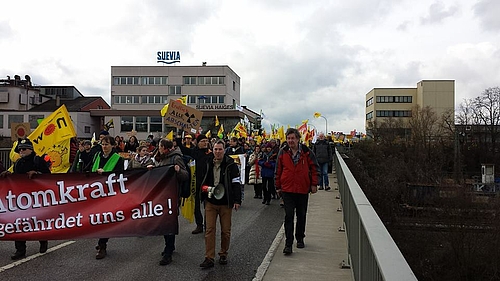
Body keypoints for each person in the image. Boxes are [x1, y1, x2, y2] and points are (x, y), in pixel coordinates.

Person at [0, 138, 52, 260]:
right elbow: (15, 178)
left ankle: (43, 239)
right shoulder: (18, 163)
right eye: (20, 149)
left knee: (38, 222)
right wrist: (8, 175)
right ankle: (20, 250)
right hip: (22, 199)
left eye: (24, 149)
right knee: (18, 223)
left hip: (37, 198)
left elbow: (49, 177)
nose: (21, 151)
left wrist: (37, 173)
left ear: (31, 149)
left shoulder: (38, 160)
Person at [275, 128, 319, 255]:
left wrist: (314, 184)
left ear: (298, 139)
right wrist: (278, 186)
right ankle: (288, 244)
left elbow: (315, 168)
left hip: (302, 189)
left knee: (301, 215)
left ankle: (300, 238)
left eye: (292, 138)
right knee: (288, 216)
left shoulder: (306, 152)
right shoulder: (283, 153)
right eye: (288, 138)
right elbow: (278, 170)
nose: (290, 141)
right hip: (287, 190)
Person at [199, 140, 242, 268]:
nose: (217, 152)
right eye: (215, 149)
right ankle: (209, 257)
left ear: (224, 150)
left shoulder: (231, 164)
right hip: (211, 202)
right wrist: (205, 191)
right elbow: (202, 180)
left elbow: (236, 183)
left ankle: (223, 253)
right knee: (209, 230)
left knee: (225, 231)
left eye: (220, 149)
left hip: (225, 203)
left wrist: (237, 200)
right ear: (212, 150)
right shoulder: (207, 162)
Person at [149, 139, 188, 265]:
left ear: (165, 148)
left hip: (172, 196)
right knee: (164, 222)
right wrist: (153, 169)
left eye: (160, 146)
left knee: (169, 222)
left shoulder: (175, 158)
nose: (158, 148)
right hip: (163, 196)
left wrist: (178, 170)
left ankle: (168, 252)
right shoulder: (162, 158)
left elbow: (185, 175)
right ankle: (169, 246)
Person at [92, 135, 125, 259]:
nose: (104, 146)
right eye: (102, 144)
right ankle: (102, 241)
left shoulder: (118, 159)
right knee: (98, 220)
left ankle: (102, 245)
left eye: (106, 144)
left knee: (106, 220)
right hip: (96, 193)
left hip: (110, 193)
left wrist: (106, 174)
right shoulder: (97, 156)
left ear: (112, 145)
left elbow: (119, 176)